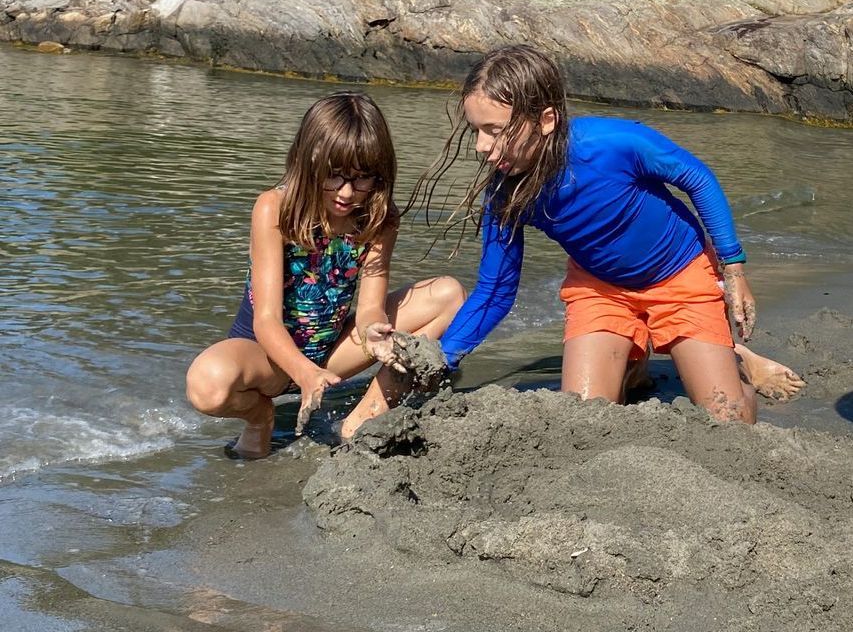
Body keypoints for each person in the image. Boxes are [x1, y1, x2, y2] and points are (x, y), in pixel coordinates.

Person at [410, 44, 803, 424]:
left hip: (681, 275)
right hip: (600, 289)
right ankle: (636, 358)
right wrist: (442, 358)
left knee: (726, 417)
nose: (481, 147)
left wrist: (733, 271)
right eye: (477, 131)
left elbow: (698, 179)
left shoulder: (615, 144)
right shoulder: (504, 193)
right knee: (582, 417)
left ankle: (735, 362)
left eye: (495, 131)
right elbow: (496, 290)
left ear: (546, 121)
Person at [186, 91, 466, 458]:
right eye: (334, 176)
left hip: (332, 352)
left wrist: (372, 332)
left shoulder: (379, 218)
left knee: (449, 294)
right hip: (267, 356)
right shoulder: (275, 209)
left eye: (363, 179)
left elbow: (369, 306)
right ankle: (259, 418)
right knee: (206, 384)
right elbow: (266, 319)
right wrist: (303, 373)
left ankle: (365, 417)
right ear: (308, 162)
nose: (347, 193)